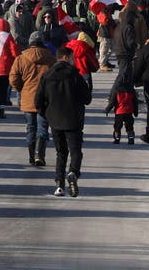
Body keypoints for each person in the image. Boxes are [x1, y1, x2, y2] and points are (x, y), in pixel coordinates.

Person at [35, 46, 91, 198]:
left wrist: (46, 114)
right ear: (66, 58)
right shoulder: (75, 75)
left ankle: (59, 184)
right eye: (72, 58)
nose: (74, 61)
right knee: (75, 151)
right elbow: (87, 99)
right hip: (73, 120)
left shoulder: (47, 76)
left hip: (55, 120)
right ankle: (73, 172)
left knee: (61, 152)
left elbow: (38, 100)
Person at [10, 31, 55, 167]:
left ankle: (31, 156)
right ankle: (39, 155)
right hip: (45, 100)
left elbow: (13, 78)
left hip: (28, 97)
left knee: (31, 127)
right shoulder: (51, 59)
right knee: (42, 128)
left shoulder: (21, 59)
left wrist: (21, 89)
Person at [105, 64, 139, 145]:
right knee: (129, 126)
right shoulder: (131, 90)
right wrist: (136, 111)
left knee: (117, 126)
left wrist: (107, 109)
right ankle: (131, 138)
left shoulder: (117, 90)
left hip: (119, 112)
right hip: (129, 111)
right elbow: (135, 102)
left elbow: (112, 102)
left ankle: (117, 138)